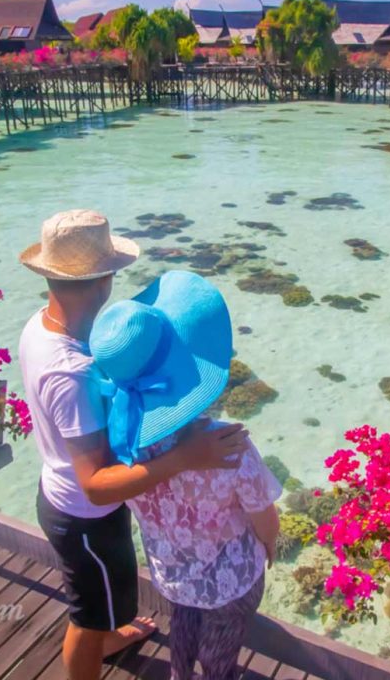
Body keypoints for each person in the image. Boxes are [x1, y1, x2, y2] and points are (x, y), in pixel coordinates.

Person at [18, 210, 250, 680]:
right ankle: (92, 651)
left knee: (106, 604)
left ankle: (110, 633)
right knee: (85, 618)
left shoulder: (39, 328)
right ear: (105, 281)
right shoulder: (74, 373)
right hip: (85, 517)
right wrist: (187, 456)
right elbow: (98, 486)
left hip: (60, 494)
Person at [90, 270, 281, 680]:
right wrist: (270, 543)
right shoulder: (229, 448)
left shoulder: (120, 449)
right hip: (231, 581)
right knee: (220, 653)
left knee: (185, 625)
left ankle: (179, 673)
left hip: (173, 572)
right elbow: (264, 515)